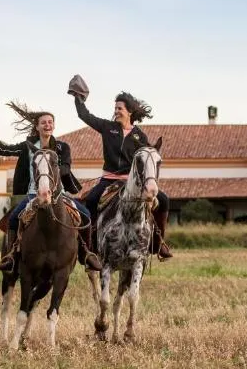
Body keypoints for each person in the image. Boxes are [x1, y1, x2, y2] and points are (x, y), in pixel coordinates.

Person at [0, 102, 102, 272]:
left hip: (59, 195)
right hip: (33, 194)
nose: (47, 125)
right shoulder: (27, 147)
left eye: (50, 122)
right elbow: (3, 150)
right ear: (37, 127)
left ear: (54, 125)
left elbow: (66, 166)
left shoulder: (62, 147)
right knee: (13, 218)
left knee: (86, 215)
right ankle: (11, 256)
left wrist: (54, 168)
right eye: (43, 122)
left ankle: (87, 254)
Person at [68, 77, 172, 259]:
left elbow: (147, 158)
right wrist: (78, 98)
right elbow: (85, 116)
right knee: (91, 200)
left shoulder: (139, 136)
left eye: (119, 109)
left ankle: (159, 241)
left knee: (163, 199)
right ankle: (90, 245)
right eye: (115, 108)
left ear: (129, 112)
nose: (116, 112)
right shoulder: (108, 128)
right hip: (108, 180)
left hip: (131, 182)